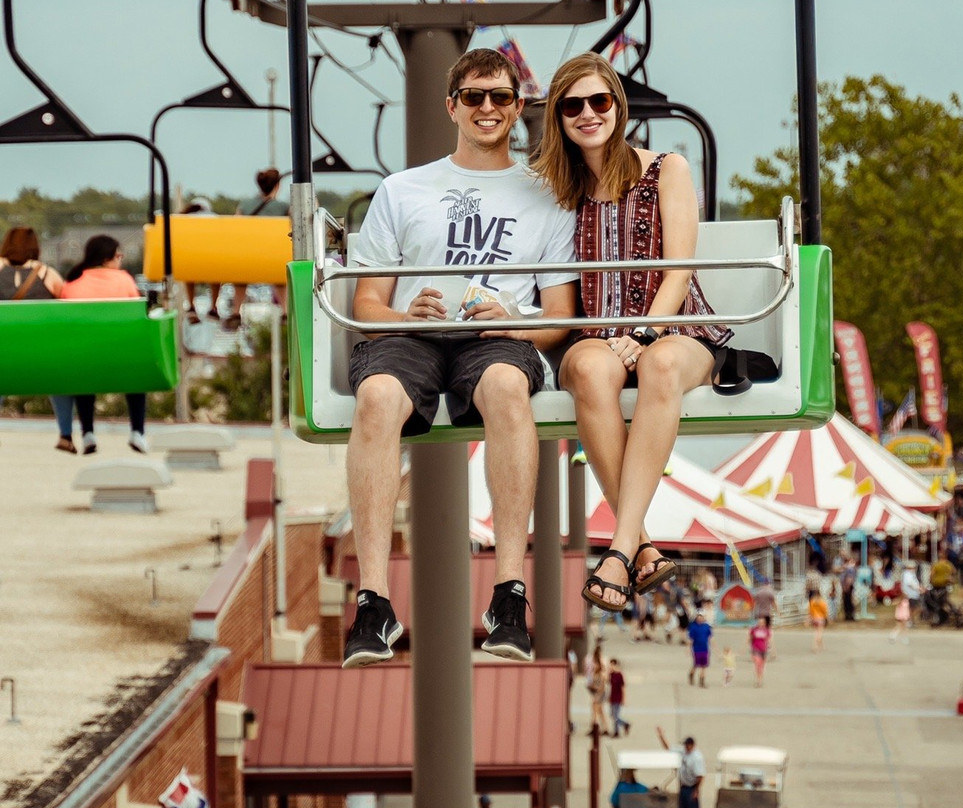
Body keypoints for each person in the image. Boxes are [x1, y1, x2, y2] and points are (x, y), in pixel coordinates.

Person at [340, 49, 578, 668]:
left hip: (497, 338)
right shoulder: (402, 189)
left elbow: (557, 314)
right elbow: (368, 303)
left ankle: (508, 593)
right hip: (412, 336)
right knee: (376, 397)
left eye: (500, 97)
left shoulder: (547, 196)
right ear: (452, 106)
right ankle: (373, 602)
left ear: (518, 107)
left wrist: (516, 322)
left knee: (504, 387)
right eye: (474, 97)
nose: (488, 108)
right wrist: (404, 316)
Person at [534, 51, 737, 612]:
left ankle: (621, 545)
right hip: (597, 333)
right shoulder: (556, 189)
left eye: (599, 101)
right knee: (586, 367)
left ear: (618, 108)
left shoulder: (665, 169)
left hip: (679, 329)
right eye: (572, 105)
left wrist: (646, 333)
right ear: (558, 117)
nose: (588, 114)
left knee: (661, 365)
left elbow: (680, 269)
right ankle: (641, 546)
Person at [60, 235, 149, 454]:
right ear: (107, 258)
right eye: (118, 255)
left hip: (85, 357)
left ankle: (88, 433)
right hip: (121, 356)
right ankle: (137, 431)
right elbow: (137, 316)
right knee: (137, 378)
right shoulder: (124, 280)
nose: (120, 260)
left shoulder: (72, 283)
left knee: (83, 379)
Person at [0, 226, 84, 453]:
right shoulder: (47, 273)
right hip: (42, 352)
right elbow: (68, 303)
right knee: (60, 380)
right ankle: (65, 435)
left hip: (4, 351)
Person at [228, 168, 290, 329]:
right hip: (273, 257)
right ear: (277, 186)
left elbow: (236, 227)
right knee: (279, 280)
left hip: (249, 257)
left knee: (240, 279)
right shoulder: (283, 207)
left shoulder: (246, 204)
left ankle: (236, 311)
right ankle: (285, 311)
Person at [178, 197, 221, 323]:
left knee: (189, 274)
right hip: (211, 259)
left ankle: (191, 306)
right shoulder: (214, 217)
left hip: (191, 259)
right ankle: (213, 307)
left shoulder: (184, 218)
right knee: (217, 275)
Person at [657, 728, 705, 808]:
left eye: (688, 745)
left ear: (692, 745)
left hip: (691, 787)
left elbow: (700, 776)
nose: (686, 746)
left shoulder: (697, 757)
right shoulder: (683, 751)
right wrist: (661, 736)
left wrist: (696, 790)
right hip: (683, 787)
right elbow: (668, 748)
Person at [585, 644, 610, 735]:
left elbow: (602, 686)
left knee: (595, 710)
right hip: (598, 692)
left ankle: (594, 726)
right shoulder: (597, 672)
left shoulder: (600, 674)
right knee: (599, 710)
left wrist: (597, 693)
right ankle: (605, 727)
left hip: (600, 693)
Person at [686, 610, 712, 687]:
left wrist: (715, 648)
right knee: (696, 664)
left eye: (701, 617)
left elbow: (710, 637)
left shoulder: (707, 627)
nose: (700, 619)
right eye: (698, 617)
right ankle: (691, 674)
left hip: (705, 648)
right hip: (696, 648)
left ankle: (702, 681)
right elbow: (691, 639)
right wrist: (688, 648)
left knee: (704, 665)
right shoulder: (693, 627)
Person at [608, 657, 630, 737]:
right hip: (612, 697)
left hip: (618, 697)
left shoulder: (620, 675)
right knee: (612, 715)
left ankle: (616, 731)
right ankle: (625, 724)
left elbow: (622, 687)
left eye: (612, 665)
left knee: (616, 715)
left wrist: (624, 699)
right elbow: (609, 685)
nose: (610, 667)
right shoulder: (611, 674)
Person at [749, 615, 771, 687]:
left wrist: (770, 650)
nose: (760, 623)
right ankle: (758, 681)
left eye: (762, 622)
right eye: (759, 622)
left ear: (764, 623)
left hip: (764, 650)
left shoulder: (766, 630)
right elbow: (750, 639)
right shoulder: (754, 629)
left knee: (762, 666)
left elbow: (768, 641)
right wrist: (750, 651)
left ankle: (760, 680)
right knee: (757, 665)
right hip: (755, 649)